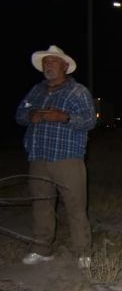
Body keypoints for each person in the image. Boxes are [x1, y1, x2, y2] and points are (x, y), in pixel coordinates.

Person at [14, 45, 97, 268]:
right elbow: (20, 114)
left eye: (53, 61)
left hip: (67, 158)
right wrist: (30, 115)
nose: (48, 65)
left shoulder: (78, 91)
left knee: (75, 206)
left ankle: (83, 253)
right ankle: (42, 249)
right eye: (45, 62)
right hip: (38, 157)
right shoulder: (36, 91)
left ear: (65, 66)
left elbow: (90, 121)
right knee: (41, 205)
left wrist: (64, 117)